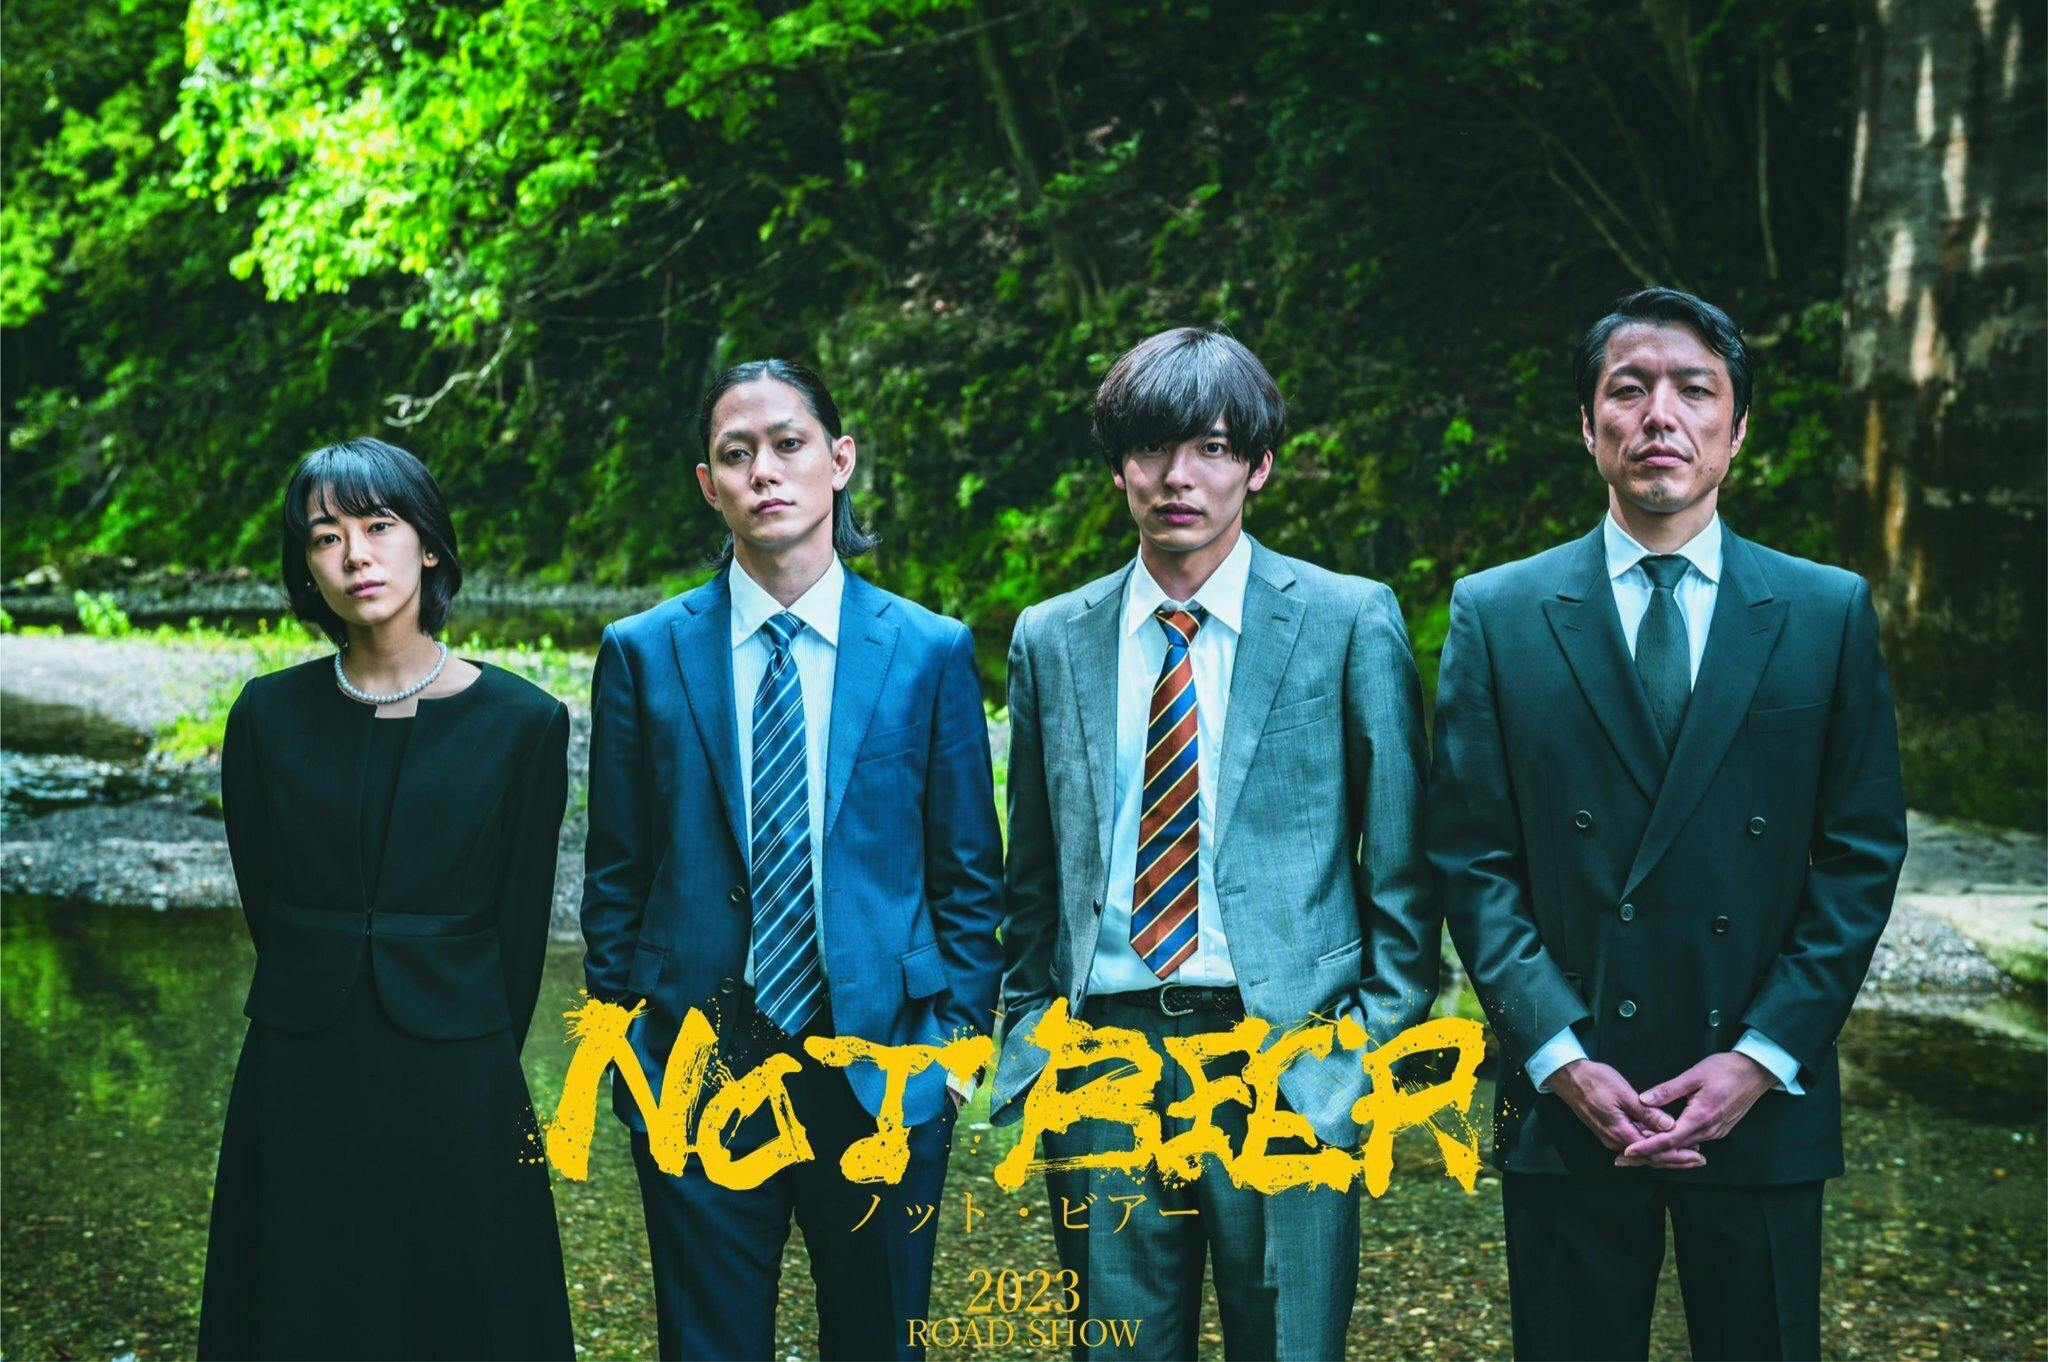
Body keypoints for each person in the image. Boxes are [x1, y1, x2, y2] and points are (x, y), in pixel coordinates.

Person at [1429, 287, 1909, 1360]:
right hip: (1569, 1098)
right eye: (1628, 389)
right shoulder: (1498, 614)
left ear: (1735, 431)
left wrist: (1762, 1054)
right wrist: (1556, 1054)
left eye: (1694, 391)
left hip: (1760, 1099)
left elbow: (1860, 854)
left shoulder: (1823, 610)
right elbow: (1471, 858)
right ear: (1586, 424)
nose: (1660, 415)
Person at [992, 327, 1437, 1360]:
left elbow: (1405, 873)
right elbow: (1032, 879)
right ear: (1118, 466)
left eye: (1212, 448)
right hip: (1101, 1059)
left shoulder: (1347, 621)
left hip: (1287, 1060)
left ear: (1259, 466)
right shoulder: (1051, 638)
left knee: (1287, 1344)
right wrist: (1031, 1030)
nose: (1177, 477)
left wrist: (1355, 1058)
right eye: (1150, 448)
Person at [581, 359, 1003, 1361]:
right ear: (707, 483)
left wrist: (954, 1057)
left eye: (788, 444)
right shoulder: (643, 652)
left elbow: (968, 877)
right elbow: (615, 877)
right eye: (737, 453)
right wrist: (628, 1055)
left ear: (838, 460)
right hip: (695, 1068)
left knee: (878, 1341)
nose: (764, 470)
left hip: (885, 1067)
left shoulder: (928, 649)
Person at [198, 437, 574, 1360]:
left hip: (460, 1065)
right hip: (299, 1059)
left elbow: (521, 927)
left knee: (466, 1306)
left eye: (378, 526)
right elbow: (265, 898)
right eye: (326, 538)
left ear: (429, 545)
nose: (355, 555)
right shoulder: (265, 715)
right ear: (306, 567)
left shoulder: (525, 722)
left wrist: (471, 1031)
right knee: (299, 1300)